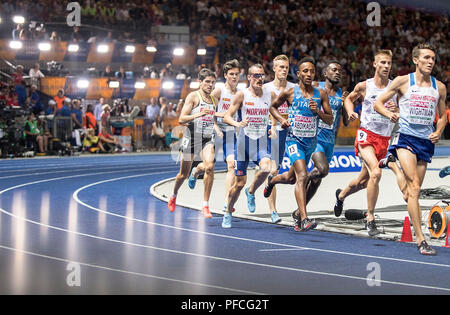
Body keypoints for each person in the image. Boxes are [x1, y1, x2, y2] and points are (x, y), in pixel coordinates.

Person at [374, 43, 447, 255]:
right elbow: (379, 103)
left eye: (433, 58)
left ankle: (392, 165)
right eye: (426, 58)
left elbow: (442, 116)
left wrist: (439, 131)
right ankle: (421, 239)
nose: (430, 62)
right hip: (405, 137)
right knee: (415, 187)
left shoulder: (439, 87)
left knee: (409, 194)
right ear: (416, 60)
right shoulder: (403, 81)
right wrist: (389, 115)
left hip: (425, 141)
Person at [333, 49, 408, 237]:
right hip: (366, 136)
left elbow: (403, 107)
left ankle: (341, 195)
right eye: (382, 62)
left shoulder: (395, 87)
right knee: (376, 172)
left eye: (389, 63)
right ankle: (370, 218)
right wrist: (350, 112)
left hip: (385, 140)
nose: (386, 66)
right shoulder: (365, 85)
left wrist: (396, 108)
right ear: (375, 64)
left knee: (363, 182)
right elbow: (349, 99)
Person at [266, 57, 333, 232]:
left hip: (311, 143)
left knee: (291, 178)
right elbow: (272, 107)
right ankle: (303, 218)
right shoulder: (290, 92)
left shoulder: (321, 94)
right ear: (298, 74)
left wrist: (317, 111)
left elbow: (330, 119)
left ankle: (272, 180)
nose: (309, 74)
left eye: (311, 71)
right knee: (302, 176)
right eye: (305, 71)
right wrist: (282, 119)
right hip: (293, 141)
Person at [221, 64, 276, 228]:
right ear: (250, 78)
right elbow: (226, 116)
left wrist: (273, 126)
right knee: (238, 184)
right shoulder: (241, 95)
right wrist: (237, 123)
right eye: (256, 76)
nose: (260, 79)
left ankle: (251, 192)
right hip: (243, 145)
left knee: (267, 168)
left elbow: (273, 111)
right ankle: (228, 212)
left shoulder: (269, 94)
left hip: (260, 143)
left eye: (262, 75)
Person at [187, 59, 240, 215]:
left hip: (230, 134)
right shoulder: (218, 91)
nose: (234, 77)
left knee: (232, 165)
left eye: (237, 74)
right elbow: (210, 111)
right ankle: (196, 170)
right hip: (215, 132)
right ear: (225, 75)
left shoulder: (239, 94)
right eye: (231, 74)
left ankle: (226, 202)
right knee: (209, 166)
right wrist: (216, 126)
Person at [167, 68, 217, 219]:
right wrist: (199, 114)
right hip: (192, 136)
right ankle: (174, 195)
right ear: (200, 82)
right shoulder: (193, 97)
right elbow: (181, 119)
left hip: (207, 137)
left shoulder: (214, 100)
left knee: (209, 167)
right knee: (183, 174)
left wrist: (218, 127)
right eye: (207, 82)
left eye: (213, 82)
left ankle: (205, 205)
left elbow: (213, 117)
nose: (210, 85)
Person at [262, 54, 297, 223]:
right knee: (272, 170)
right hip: (270, 130)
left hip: (287, 132)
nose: (283, 70)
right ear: (274, 68)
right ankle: (273, 211)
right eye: (280, 67)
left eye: (286, 67)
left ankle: (252, 190)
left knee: (296, 170)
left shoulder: (293, 87)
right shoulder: (265, 88)